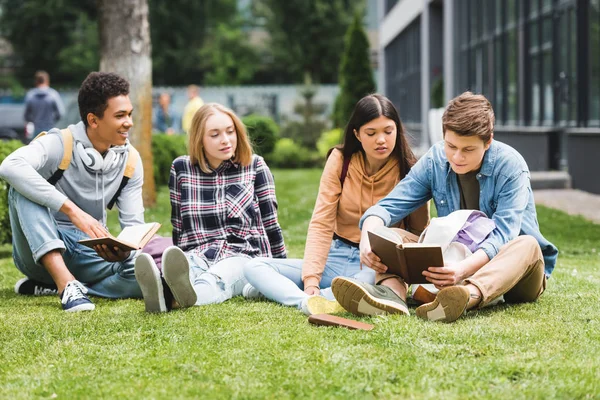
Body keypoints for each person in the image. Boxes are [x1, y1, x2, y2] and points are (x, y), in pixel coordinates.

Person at [330, 91, 559, 323]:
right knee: (386, 234)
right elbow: (388, 206)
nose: (457, 157)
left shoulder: (511, 166)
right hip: (454, 262)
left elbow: (502, 236)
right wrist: (369, 236)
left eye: (468, 150)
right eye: (451, 146)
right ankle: (392, 295)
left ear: (488, 140)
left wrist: (462, 272)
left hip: (515, 272)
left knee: (527, 244)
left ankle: (466, 296)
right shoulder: (436, 160)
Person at [243, 94, 430, 315]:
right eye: (371, 133)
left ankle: (292, 293)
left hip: (375, 265)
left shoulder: (410, 170)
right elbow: (322, 222)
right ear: (357, 134)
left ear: (397, 130)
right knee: (253, 267)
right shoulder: (341, 160)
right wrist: (311, 280)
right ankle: (306, 300)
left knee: (362, 286)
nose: (381, 140)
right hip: (336, 255)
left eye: (388, 131)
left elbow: (419, 231)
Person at [0, 72, 146, 312]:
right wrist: (72, 210)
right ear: (94, 120)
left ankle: (78, 286)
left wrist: (123, 252)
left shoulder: (130, 160)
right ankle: (65, 284)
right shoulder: (59, 143)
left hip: (92, 252)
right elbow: (9, 166)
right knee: (22, 187)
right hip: (40, 253)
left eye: (129, 114)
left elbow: (133, 225)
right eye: (120, 116)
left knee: (139, 274)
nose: (129, 122)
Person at [134, 103, 286, 313]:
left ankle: (171, 299)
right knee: (189, 270)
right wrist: (179, 259)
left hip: (244, 256)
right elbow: (178, 224)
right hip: (199, 253)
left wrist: (281, 270)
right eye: (215, 135)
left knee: (217, 278)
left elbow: (271, 224)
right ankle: (164, 286)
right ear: (200, 140)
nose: (225, 140)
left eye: (230, 132)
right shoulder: (181, 169)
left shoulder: (255, 166)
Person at [24, 70, 66, 136]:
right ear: (47, 81)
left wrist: (34, 120)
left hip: (36, 130)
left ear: (36, 81)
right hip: (50, 129)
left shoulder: (31, 95)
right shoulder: (53, 94)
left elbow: (26, 116)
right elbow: (60, 113)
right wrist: (52, 120)